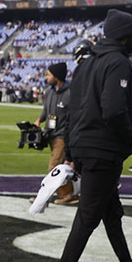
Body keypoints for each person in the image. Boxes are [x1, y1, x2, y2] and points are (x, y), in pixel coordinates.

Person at [44, 9, 132, 262]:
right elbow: (113, 111)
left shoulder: (87, 63)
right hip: (103, 150)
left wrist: (71, 151)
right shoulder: (119, 63)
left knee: (111, 214)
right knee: (86, 218)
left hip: (85, 148)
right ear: (125, 35)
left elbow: (72, 110)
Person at [35, 61, 74, 204]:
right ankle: (69, 192)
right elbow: (46, 110)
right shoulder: (49, 92)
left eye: (49, 74)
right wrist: (39, 120)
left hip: (63, 135)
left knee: (54, 166)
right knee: (60, 166)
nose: (46, 77)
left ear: (57, 77)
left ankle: (65, 194)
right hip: (50, 133)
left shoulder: (71, 93)